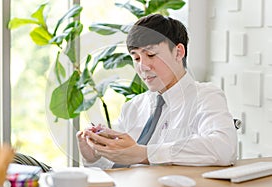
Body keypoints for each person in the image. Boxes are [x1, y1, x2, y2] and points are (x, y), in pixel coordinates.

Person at [76, 13, 237, 169]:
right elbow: (118, 169)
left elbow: (223, 149)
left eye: (151, 55)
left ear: (178, 52)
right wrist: (93, 159)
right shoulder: (133, 107)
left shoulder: (206, 96)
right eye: (137, 58)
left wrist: (144, 154)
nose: (143, 67)